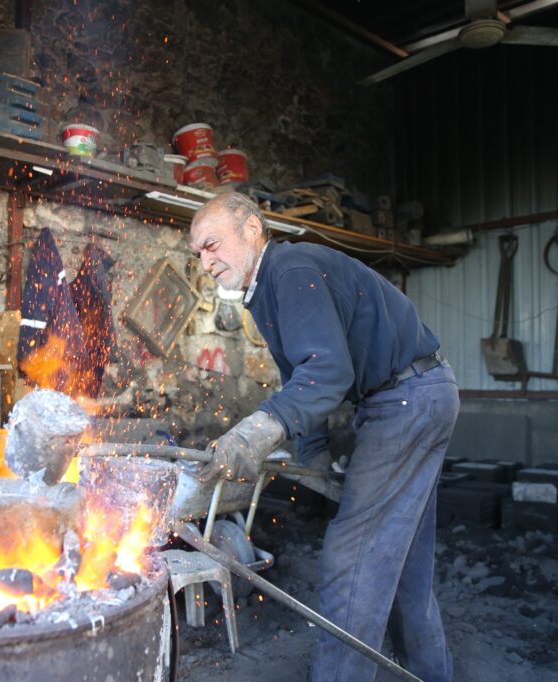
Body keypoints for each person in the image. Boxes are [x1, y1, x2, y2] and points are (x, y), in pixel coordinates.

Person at [190, 193, 458, 682]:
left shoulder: (290, 269)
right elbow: (302, 377)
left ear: (252, 230)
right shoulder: (267, 290)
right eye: (199, 254)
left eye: (212, 245)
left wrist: (254, 434)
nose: (206, 262)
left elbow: (328, 372)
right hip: (416, 395)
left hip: (405, 401)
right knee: (403, 564)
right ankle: (430, 674)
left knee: (351, 555)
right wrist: (313, 456)